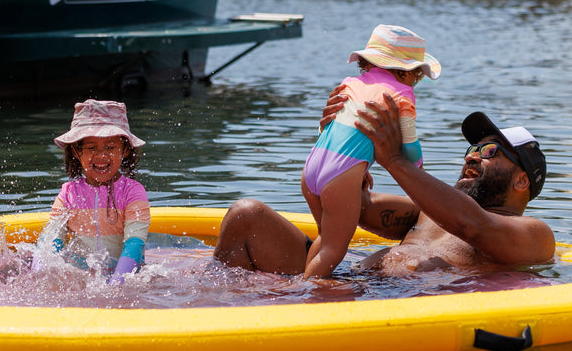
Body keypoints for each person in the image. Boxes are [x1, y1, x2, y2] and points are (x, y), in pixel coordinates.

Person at [214, 96, 553, 277]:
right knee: (247, 215)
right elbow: (353, 208)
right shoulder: (426, 212)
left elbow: (473, 226)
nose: (474, 157)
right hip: (352, 281)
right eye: (472, 150)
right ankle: (219, 312)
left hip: (394, 307)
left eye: (490, 152)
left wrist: (394, 160)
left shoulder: (534, 233)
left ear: (522, 179)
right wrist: (339, 139)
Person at [302, 24, 441, 278]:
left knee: (326, 238)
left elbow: (337, 132)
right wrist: (418, 170)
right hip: (339, 177)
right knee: (334, 250)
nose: (417, 81)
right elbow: (409, 151)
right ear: (406, 73)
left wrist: (358, 169)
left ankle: (303, 279)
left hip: (312, 167)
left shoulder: (350, 83)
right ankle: (301, 294)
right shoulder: (401, 94)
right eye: (418, 76)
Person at [48, 99, 150, 284]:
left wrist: (116, 284)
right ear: (76, 152)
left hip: (126, 277)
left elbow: (134, 243)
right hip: (81, 278)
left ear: (125, 149)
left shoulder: (133, 192)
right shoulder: (68, 193)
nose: (101, 156)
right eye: (91, 148)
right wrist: (40, 275)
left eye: (110, 147)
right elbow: (51, 240)